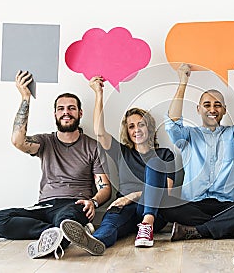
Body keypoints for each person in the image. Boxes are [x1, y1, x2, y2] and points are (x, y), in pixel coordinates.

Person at [0, 70, 111, 259]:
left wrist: (93, 202)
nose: (66, 112)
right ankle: (63, 233)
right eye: (61, 109)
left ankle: (62, 233)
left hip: (74, 204)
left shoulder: (92, 146)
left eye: (71, 108)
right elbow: (17, 141)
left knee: (66, 219)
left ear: (80, 113)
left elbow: (105, 187)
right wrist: (25, 97)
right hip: (44, 206)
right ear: (55, 114)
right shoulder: (45, 142)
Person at [60, 76, 175, 254]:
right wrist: (98, 93)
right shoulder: (122, 153)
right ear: (127, 132)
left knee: (154, 164)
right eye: (131, 126)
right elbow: (100, 132)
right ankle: (93, 241)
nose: (136, 129)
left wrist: (131, 196)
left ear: (150, 127)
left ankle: (146, 228)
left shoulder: (164, 154)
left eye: (141, 124)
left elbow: (166, 190)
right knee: (110, 224)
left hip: (153, 211)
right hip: (124, 208)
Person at [160, 62, 234, 241]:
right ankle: (231, 227)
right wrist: (183, 82)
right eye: (207, 105)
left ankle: (197, 230)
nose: (212, 109)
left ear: (224, 110)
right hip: (193, 205)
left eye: (217, 105)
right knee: (161, 201)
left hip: (227, 205)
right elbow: (172, 123)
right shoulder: (188, 135)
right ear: (198, 109)